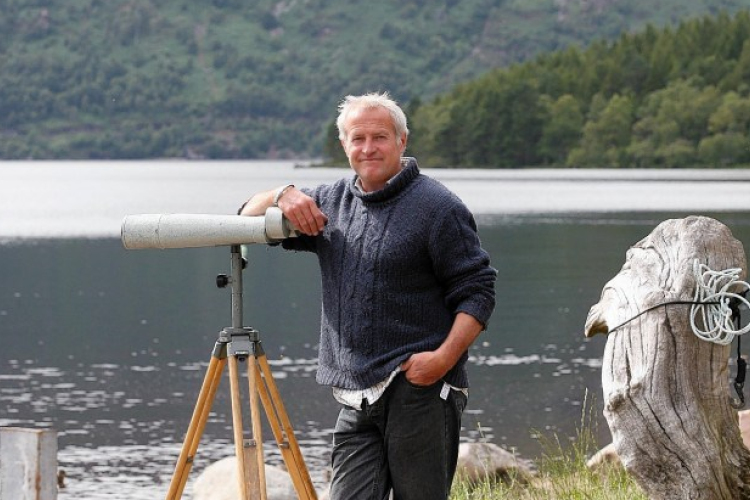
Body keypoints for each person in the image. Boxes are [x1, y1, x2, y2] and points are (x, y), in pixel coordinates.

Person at [239, 92, 496, 500]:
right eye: (358, 138)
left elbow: (478, 291)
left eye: (380, 137)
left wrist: (441, 361)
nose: (368, 148)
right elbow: (244, 217)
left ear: (402, 140)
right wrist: (281, 194)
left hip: (421, 390)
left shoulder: (439, 207)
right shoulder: (329, 203)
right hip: (356, 396)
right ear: (344, 145)